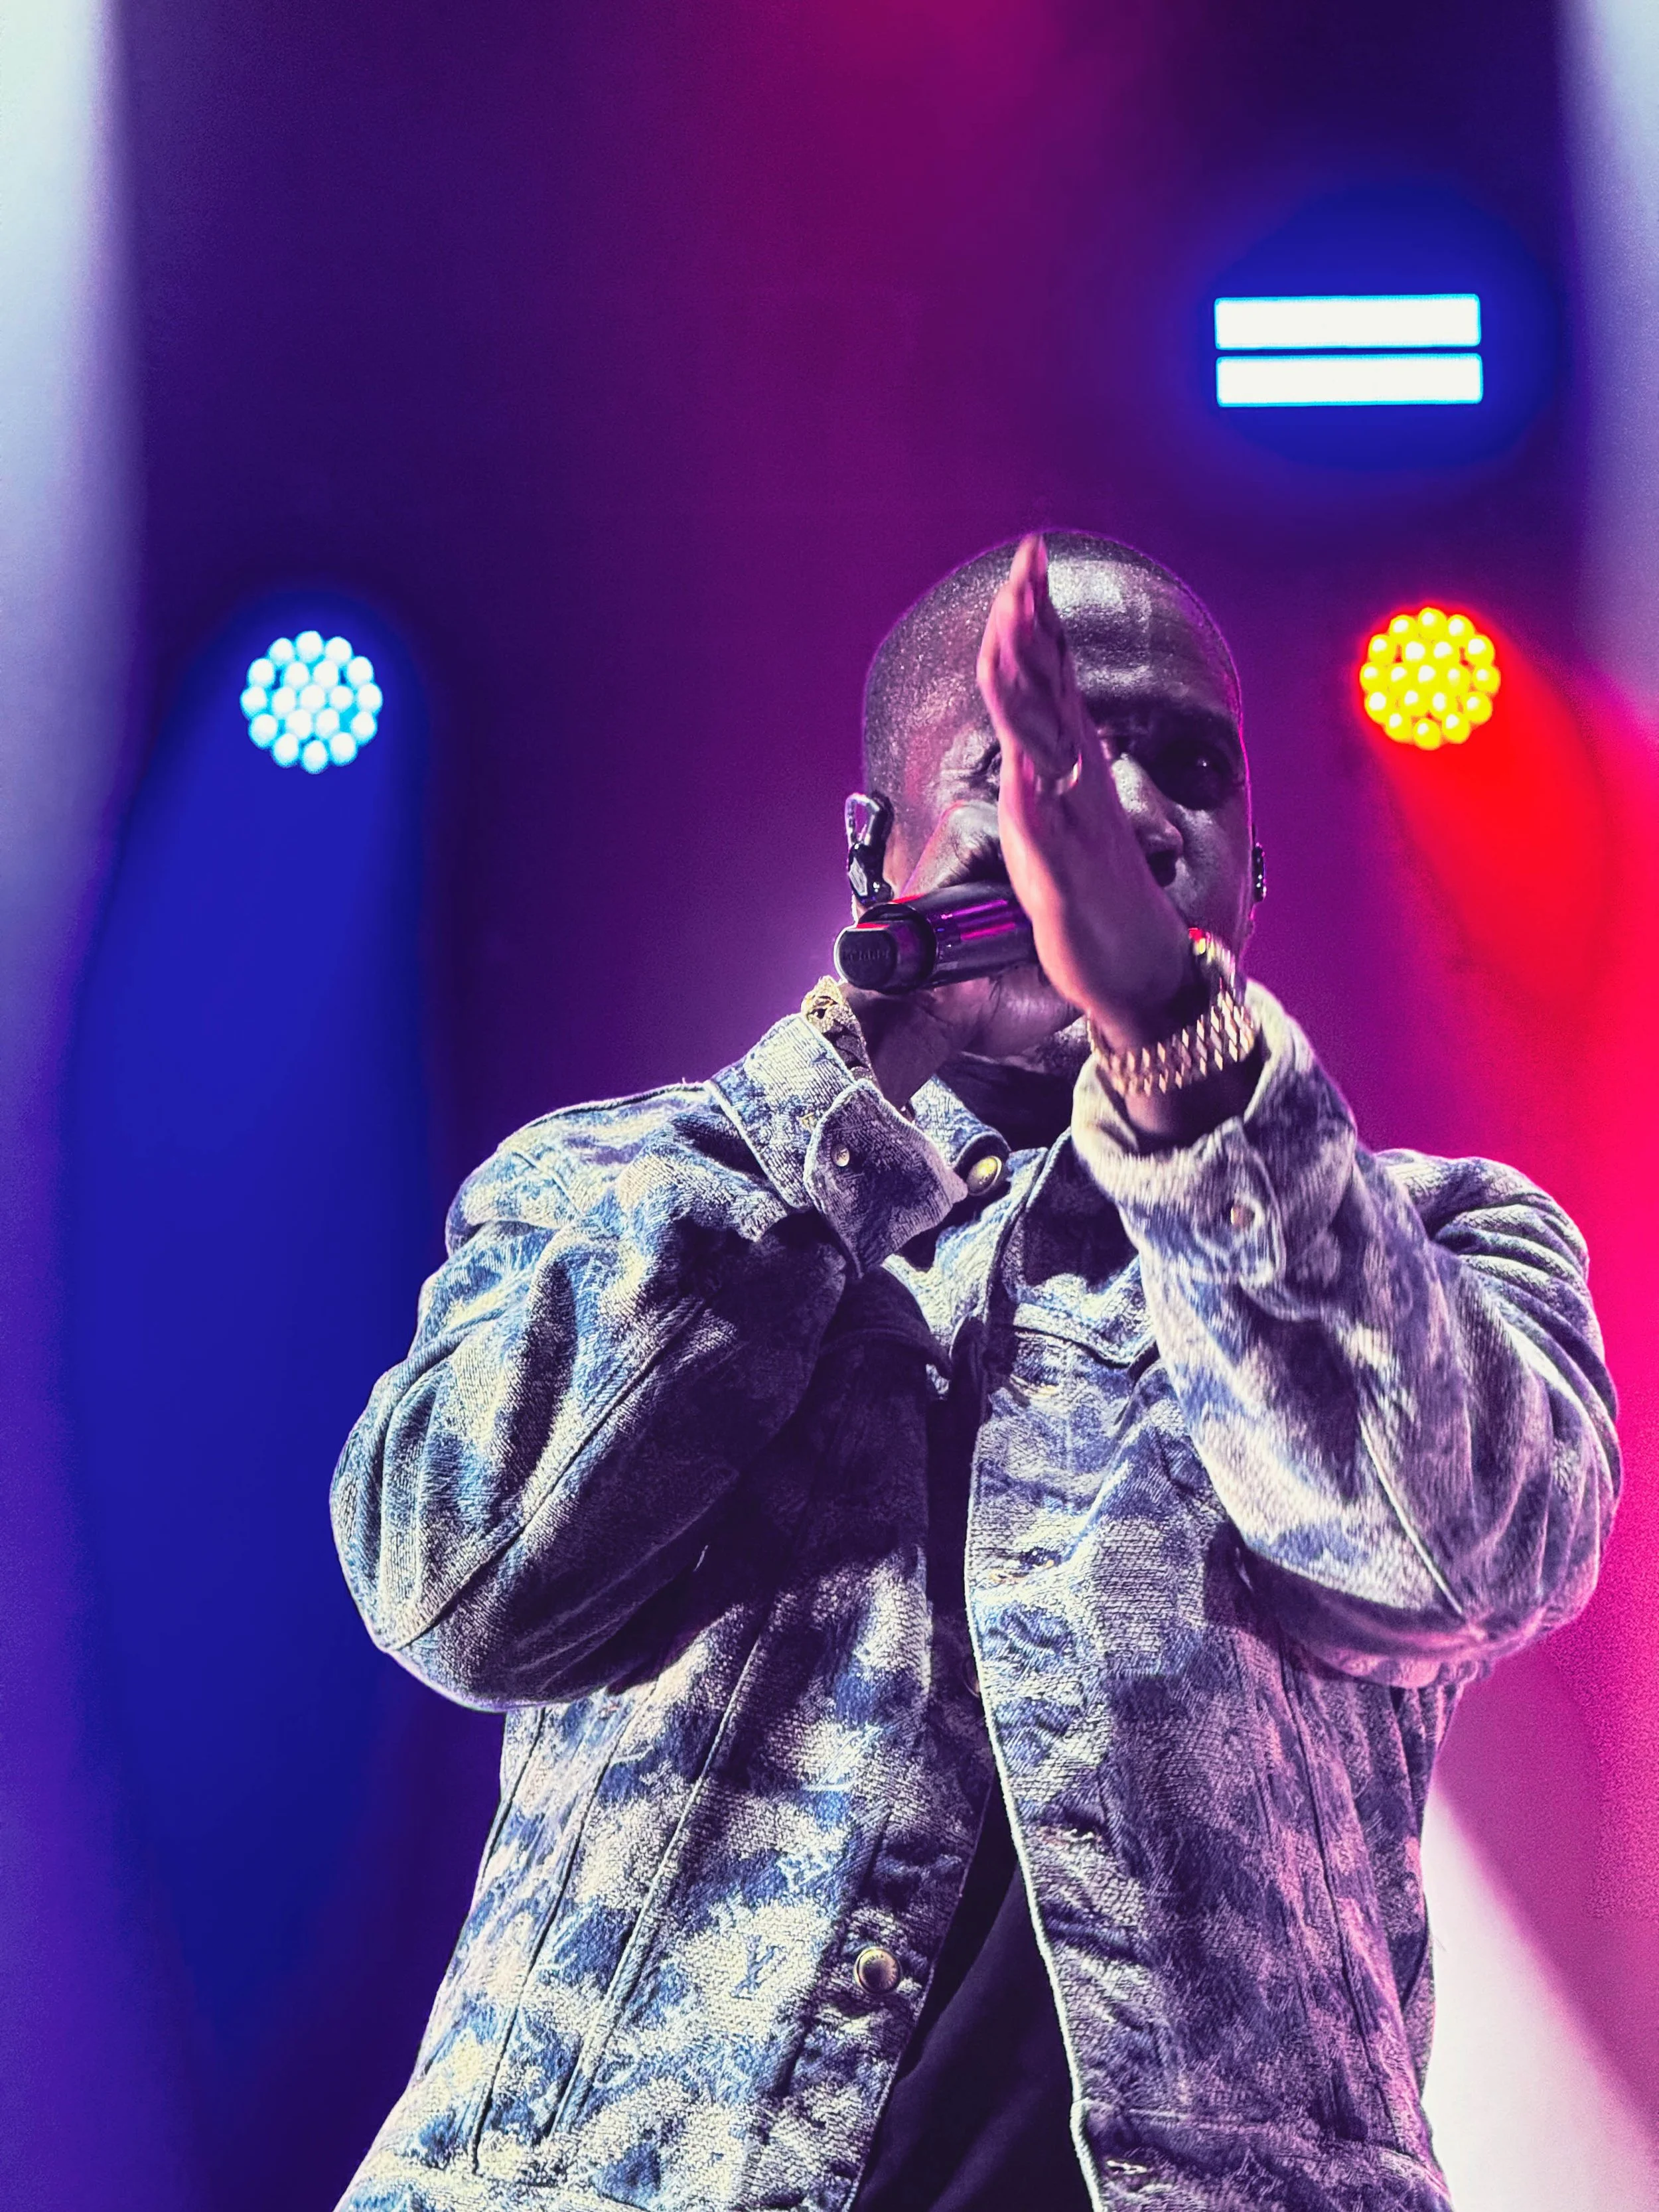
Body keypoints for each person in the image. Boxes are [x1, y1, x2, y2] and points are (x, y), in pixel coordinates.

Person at [330, 532, 1618, 2212]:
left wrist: (1177, 1046)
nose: (1130, 815)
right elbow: (460, 1577)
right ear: (877, 851)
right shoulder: (614, 1184)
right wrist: (858, 1057)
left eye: (1188, 771)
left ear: (1254, 876)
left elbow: (1467, 1554)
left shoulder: (1431, 1247)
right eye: (1040, 767)